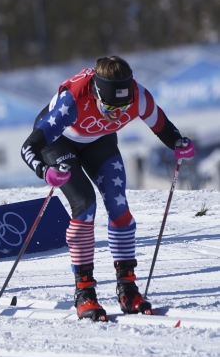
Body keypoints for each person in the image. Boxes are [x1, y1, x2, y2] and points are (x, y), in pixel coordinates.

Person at [20, 56, 195, 321]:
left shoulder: (139, 97)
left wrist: (179, 143)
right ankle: (85, 293)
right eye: (110, 106)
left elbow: (163, 128)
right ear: (96, 93)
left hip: (99, 140)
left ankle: (128, 289)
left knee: (119, 207)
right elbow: (27, 147)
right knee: (85, 205)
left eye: (124, 107)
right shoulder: (73, 101)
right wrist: (45, 171)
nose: (118, 114)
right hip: (58, 143)